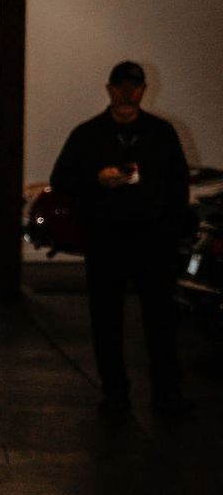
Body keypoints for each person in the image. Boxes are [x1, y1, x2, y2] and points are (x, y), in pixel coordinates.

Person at [50, 61, 191, 417]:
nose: (128, 94)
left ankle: (164, 393)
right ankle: (116, 394)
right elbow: (62, 180)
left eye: (134, 87)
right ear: (110, 90)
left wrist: (170, 230)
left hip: (152, 241)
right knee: (107, 321)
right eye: (122, 88)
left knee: (159, 320)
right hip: (107, 240)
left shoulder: (161, 133)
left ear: (143, 90)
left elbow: (178, 187)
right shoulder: (88, 134)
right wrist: (96, 179)